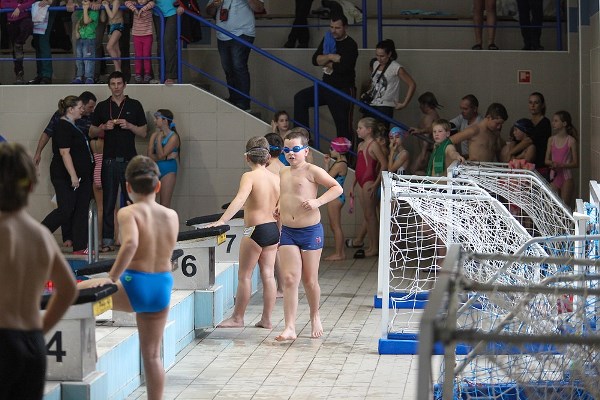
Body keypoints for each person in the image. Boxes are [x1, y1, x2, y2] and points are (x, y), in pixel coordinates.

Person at [78, 155, 178, 400]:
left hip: (136, 283)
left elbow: (131, 243)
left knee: (76, 292)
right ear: (158, 185)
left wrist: (112, 278)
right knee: (152, 356)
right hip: (162, 285)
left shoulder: (128, 212)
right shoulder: (171, 215)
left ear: (128, 186)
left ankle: (84, 352)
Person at [0, 142, 78, 400]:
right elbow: (68, 290)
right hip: (33, 344)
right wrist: (41, 328)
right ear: (32, 186)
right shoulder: (42, 236)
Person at [275, 129, 343, 341]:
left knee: (309, 280)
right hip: (288, 231)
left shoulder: (312, 170)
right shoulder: (283, 172)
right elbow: (286, 194)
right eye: (287, 150)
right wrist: (279, 206)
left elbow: (337, 188)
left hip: (310, 231)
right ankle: (289, 327)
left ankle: (315, 315)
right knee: (289, 278)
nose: (290, 153)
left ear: (305, 151)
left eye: (295, 149)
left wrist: (317, 202)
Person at [207, 137, 280, 329]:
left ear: (247, 157)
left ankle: (237, 318)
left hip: (255, 230)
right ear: (268, 157)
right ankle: (267, 319)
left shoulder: (249, 176)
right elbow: (279, 209)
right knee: (268, 275)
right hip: (272, 230)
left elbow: (240, 199)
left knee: (245, 276)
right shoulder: (276, 178)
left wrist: (222, 220)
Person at [89, 70, 148, 253]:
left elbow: (144, 132)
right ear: (109, 86)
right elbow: (91, 131)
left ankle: (132, 239)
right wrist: (102, 127)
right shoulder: (102, 107)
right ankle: (107, 241)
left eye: (119, 84)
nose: (116, 87)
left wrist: (129, 126)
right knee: (108, 202)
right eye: (113, 84)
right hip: (109, 160)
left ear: (125, 85)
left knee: (131, 202)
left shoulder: (134, 105)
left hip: (129, 160)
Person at [41, 95, 94, 255]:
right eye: (80, 107)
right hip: (65, 176)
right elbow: (65, 153)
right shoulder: (62, 126)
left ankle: (80, 246)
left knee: (80, 209)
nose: (82, 110)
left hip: (81, 176)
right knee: (66, 209)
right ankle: (37, 236)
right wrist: (73, 175)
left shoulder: (73, 126)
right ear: (70, 109)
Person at [293, 14, 358, 142]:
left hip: (343, 89)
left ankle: (346, 154)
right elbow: (315, 60)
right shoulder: (328, 38)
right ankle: (303, 139)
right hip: (326, 85)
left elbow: (343, 68)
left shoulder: (350, 44)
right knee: (300, 98)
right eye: (331, 27)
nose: (333, 30)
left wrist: (325, 61)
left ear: (345, 27)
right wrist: (331, 57)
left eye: (337, 28)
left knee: (343, 126)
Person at [206, 0, 265, 110]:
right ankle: (234, 99)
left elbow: (259, 8)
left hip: (242, 33)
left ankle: (244, 103)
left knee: (238, 66)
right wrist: (214, 5)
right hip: (222, 34)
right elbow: (209, 11)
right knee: (228, 68)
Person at [347, 117, 387, 258]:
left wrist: (376, 184)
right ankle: (372, 246)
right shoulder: (361, 145)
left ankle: (374, 247)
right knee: (367, 215)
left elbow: (384, 164)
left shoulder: (374, 145)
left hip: (369, 182)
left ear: (369, 130)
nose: (357, 130)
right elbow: (358, 167)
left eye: (360, 128)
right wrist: (352, 185)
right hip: (360, 181)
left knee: (371, 216)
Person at [361, 39, 416, 125]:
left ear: (389, 54)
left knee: (381, 131)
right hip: (371, 103)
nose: (379, 58)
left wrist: (404, 103)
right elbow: (375, 83)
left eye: (382, 56)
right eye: (377, 55)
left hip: (385, 106)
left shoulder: (396, 67)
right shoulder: (375, 63)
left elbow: (412, 84)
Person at [323, 136, 350, 261]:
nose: (330, 150)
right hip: (337, 196)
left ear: (338, 150)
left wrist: (326, 165)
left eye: (331, 148)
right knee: (335, 226)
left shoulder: (340, 164)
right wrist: (327, 163)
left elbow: (326, 179)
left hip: (335, 197)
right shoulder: (341, 163)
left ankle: (339, 253)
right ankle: (340, 252)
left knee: (335, 226)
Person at [147, 109, 180, 208]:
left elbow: (160, 155)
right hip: (155, 170)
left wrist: (158, 140)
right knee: (149, 202)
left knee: (164, 204)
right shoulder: (154, 135)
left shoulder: (173, 137)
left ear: (165, 120)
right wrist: (166, 157)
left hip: (168, 171)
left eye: (157, 118)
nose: (154, 121)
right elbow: (149, 156)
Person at [545, 110, 578, 207]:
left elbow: (576, 163)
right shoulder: (551, 140)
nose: (553, 123)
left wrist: (561, 165)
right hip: (554, 176)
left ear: (564, 123)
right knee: (552, 207)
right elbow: (546, 160)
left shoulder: (571, 141)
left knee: (565, 207)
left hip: (566, 177)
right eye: (553, 121)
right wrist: (552, 163)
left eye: (556, 121)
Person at [153, 0, 184, 84]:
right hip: (157, 11)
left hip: (173, 11)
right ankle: (162, 75)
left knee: (168, 41)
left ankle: (171, 75)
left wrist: (182, 5)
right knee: (160, 44)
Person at [4, 0, 34, 84]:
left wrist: (20, 8)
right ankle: (19, 74)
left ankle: (19, 42)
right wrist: (17, 6)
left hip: (25, 18)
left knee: (28, 26)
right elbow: (2, 3)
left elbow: (32, 1)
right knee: (16, 49)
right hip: (11, 20)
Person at [125, 0, 155, 83]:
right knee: (138, 56)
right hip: (136, 35)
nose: (141, 0)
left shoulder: (150, 5)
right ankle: (138, 73)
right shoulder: (135, 4)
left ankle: (147, 73)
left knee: (146, 56)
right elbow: (127, 2)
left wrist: (142, 9)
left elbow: (152, 3)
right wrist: (135, 9)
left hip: (147, 35)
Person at [72, 0, 99, 84]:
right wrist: (76, 32)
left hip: (89, 39)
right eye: (83, 1)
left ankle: (89, 77)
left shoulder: (94, 12)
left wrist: (85, 9)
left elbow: (86, 21)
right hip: (80, 39)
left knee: (88, 59)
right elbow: (78, 22)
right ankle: (79, 76)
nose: (83, 3)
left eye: (86, 1)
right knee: (79, 58)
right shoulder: (81, 11)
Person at [28, 0, 55, 84]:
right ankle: (40, 74)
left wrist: (50, 1)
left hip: (47, 8)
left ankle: (46, 75)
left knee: (43, 41)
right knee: (37, 42)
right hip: (35, 7)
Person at [102, 0, 124, 72]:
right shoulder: (108, 2)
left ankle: (117, 68)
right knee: (116, 49)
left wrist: (106, 6)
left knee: (109, 47)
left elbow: (111, 16)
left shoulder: (116, 1)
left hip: (118, 25)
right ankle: (118, 71)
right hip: (110, 26)